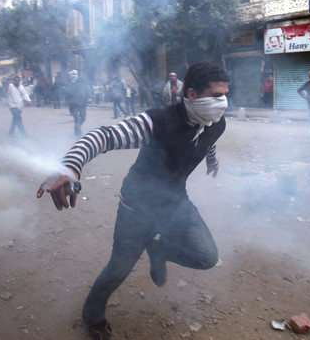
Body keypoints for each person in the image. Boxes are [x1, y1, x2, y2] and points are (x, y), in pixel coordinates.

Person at [36, 62, 230, 340]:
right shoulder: (158, 121)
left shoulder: (217, 123)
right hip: (137, 207)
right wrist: (71, 167)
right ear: (192, 94)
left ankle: (159, 251)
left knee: (207, 257)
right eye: (215, 96)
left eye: (225, 95)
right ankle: (93, 318)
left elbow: (208, 139)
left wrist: (212, 162)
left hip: (175, 202)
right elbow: (103, 136)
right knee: (118, 269)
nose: (222, 103)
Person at [65, 70, 92, 138]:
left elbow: (88, 89)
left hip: (82, 103)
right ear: (70, 77)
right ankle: (78, 134)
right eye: (71, 75)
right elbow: (66, 94)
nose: (73, 76)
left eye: (74, 75)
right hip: (73, 104)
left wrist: (90, 97)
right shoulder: (69, 84)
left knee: (83, 118)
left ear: (77, 75)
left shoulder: (82, 82)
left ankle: (77, 128)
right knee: (76, 118)